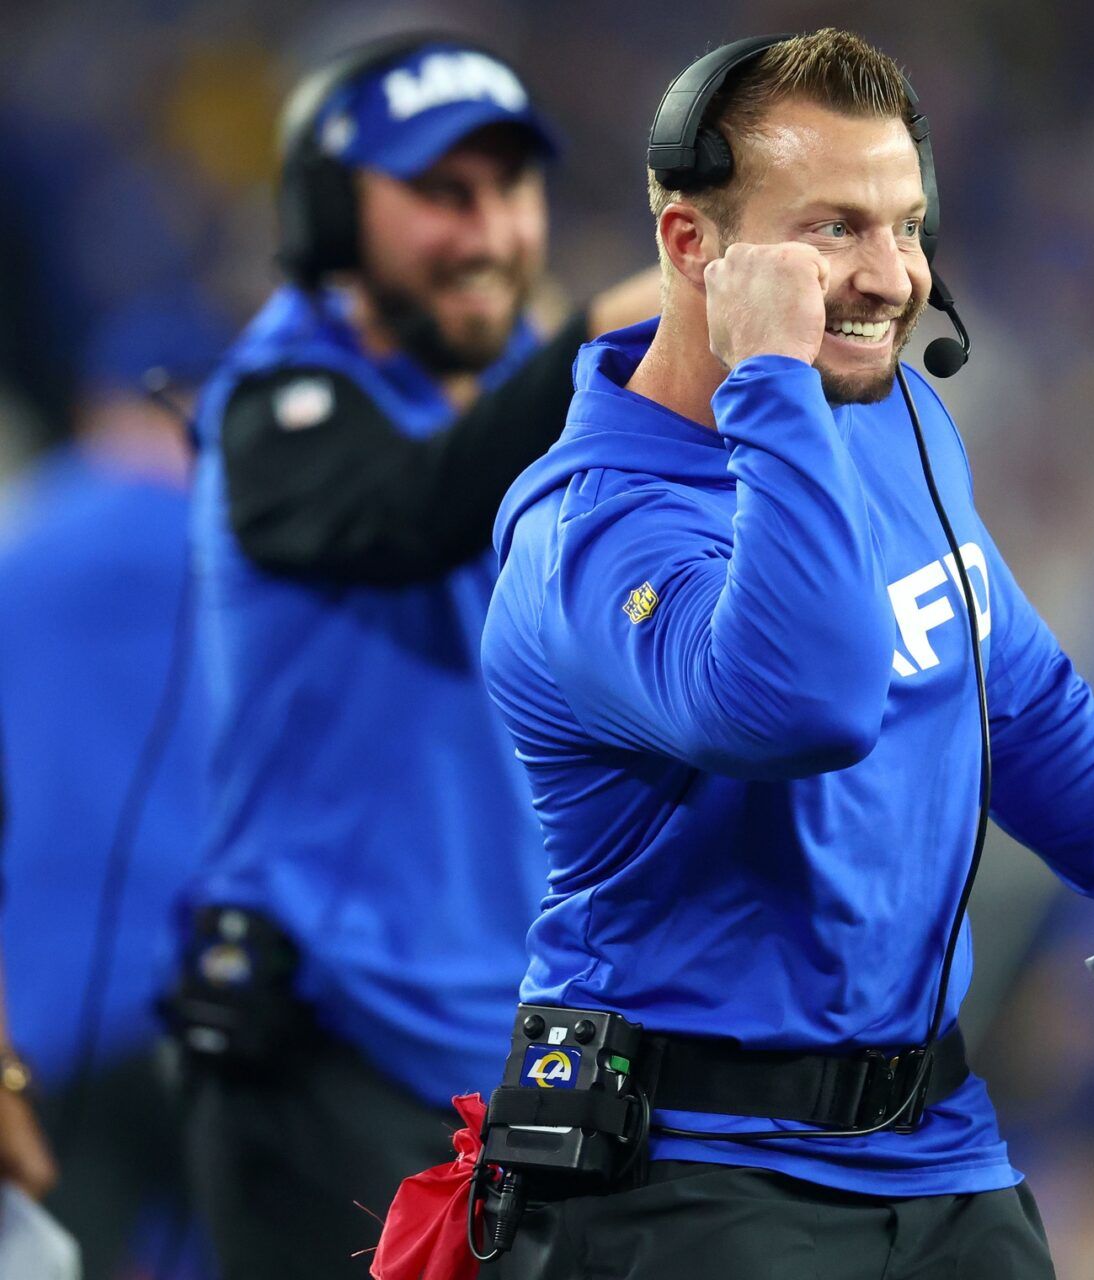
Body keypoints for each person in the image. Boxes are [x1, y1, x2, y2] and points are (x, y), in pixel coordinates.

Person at [474, 28, 1094, 1280]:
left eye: (906, 223)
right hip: (693, 1177)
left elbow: (1023, 701)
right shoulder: (594, 532)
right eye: (834, 228)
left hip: (938, 1151)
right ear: (692, 247)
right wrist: (771, 374)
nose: (892, 276)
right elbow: (803, 705)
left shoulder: (891, 418)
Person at [171, 34, 659, 1279]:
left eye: (508, 191)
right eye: (442, 196)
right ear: (334, 214)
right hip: (336, 1059)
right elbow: (414, 508)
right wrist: (597, 340)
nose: (489, 233)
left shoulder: (524, 392)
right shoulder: (278, 408)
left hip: (527, 1045)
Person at [0, 294, 225, 1278]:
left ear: (96, 407)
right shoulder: (245, 547)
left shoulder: (20, 542)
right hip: (229, 983)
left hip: (58, 997)